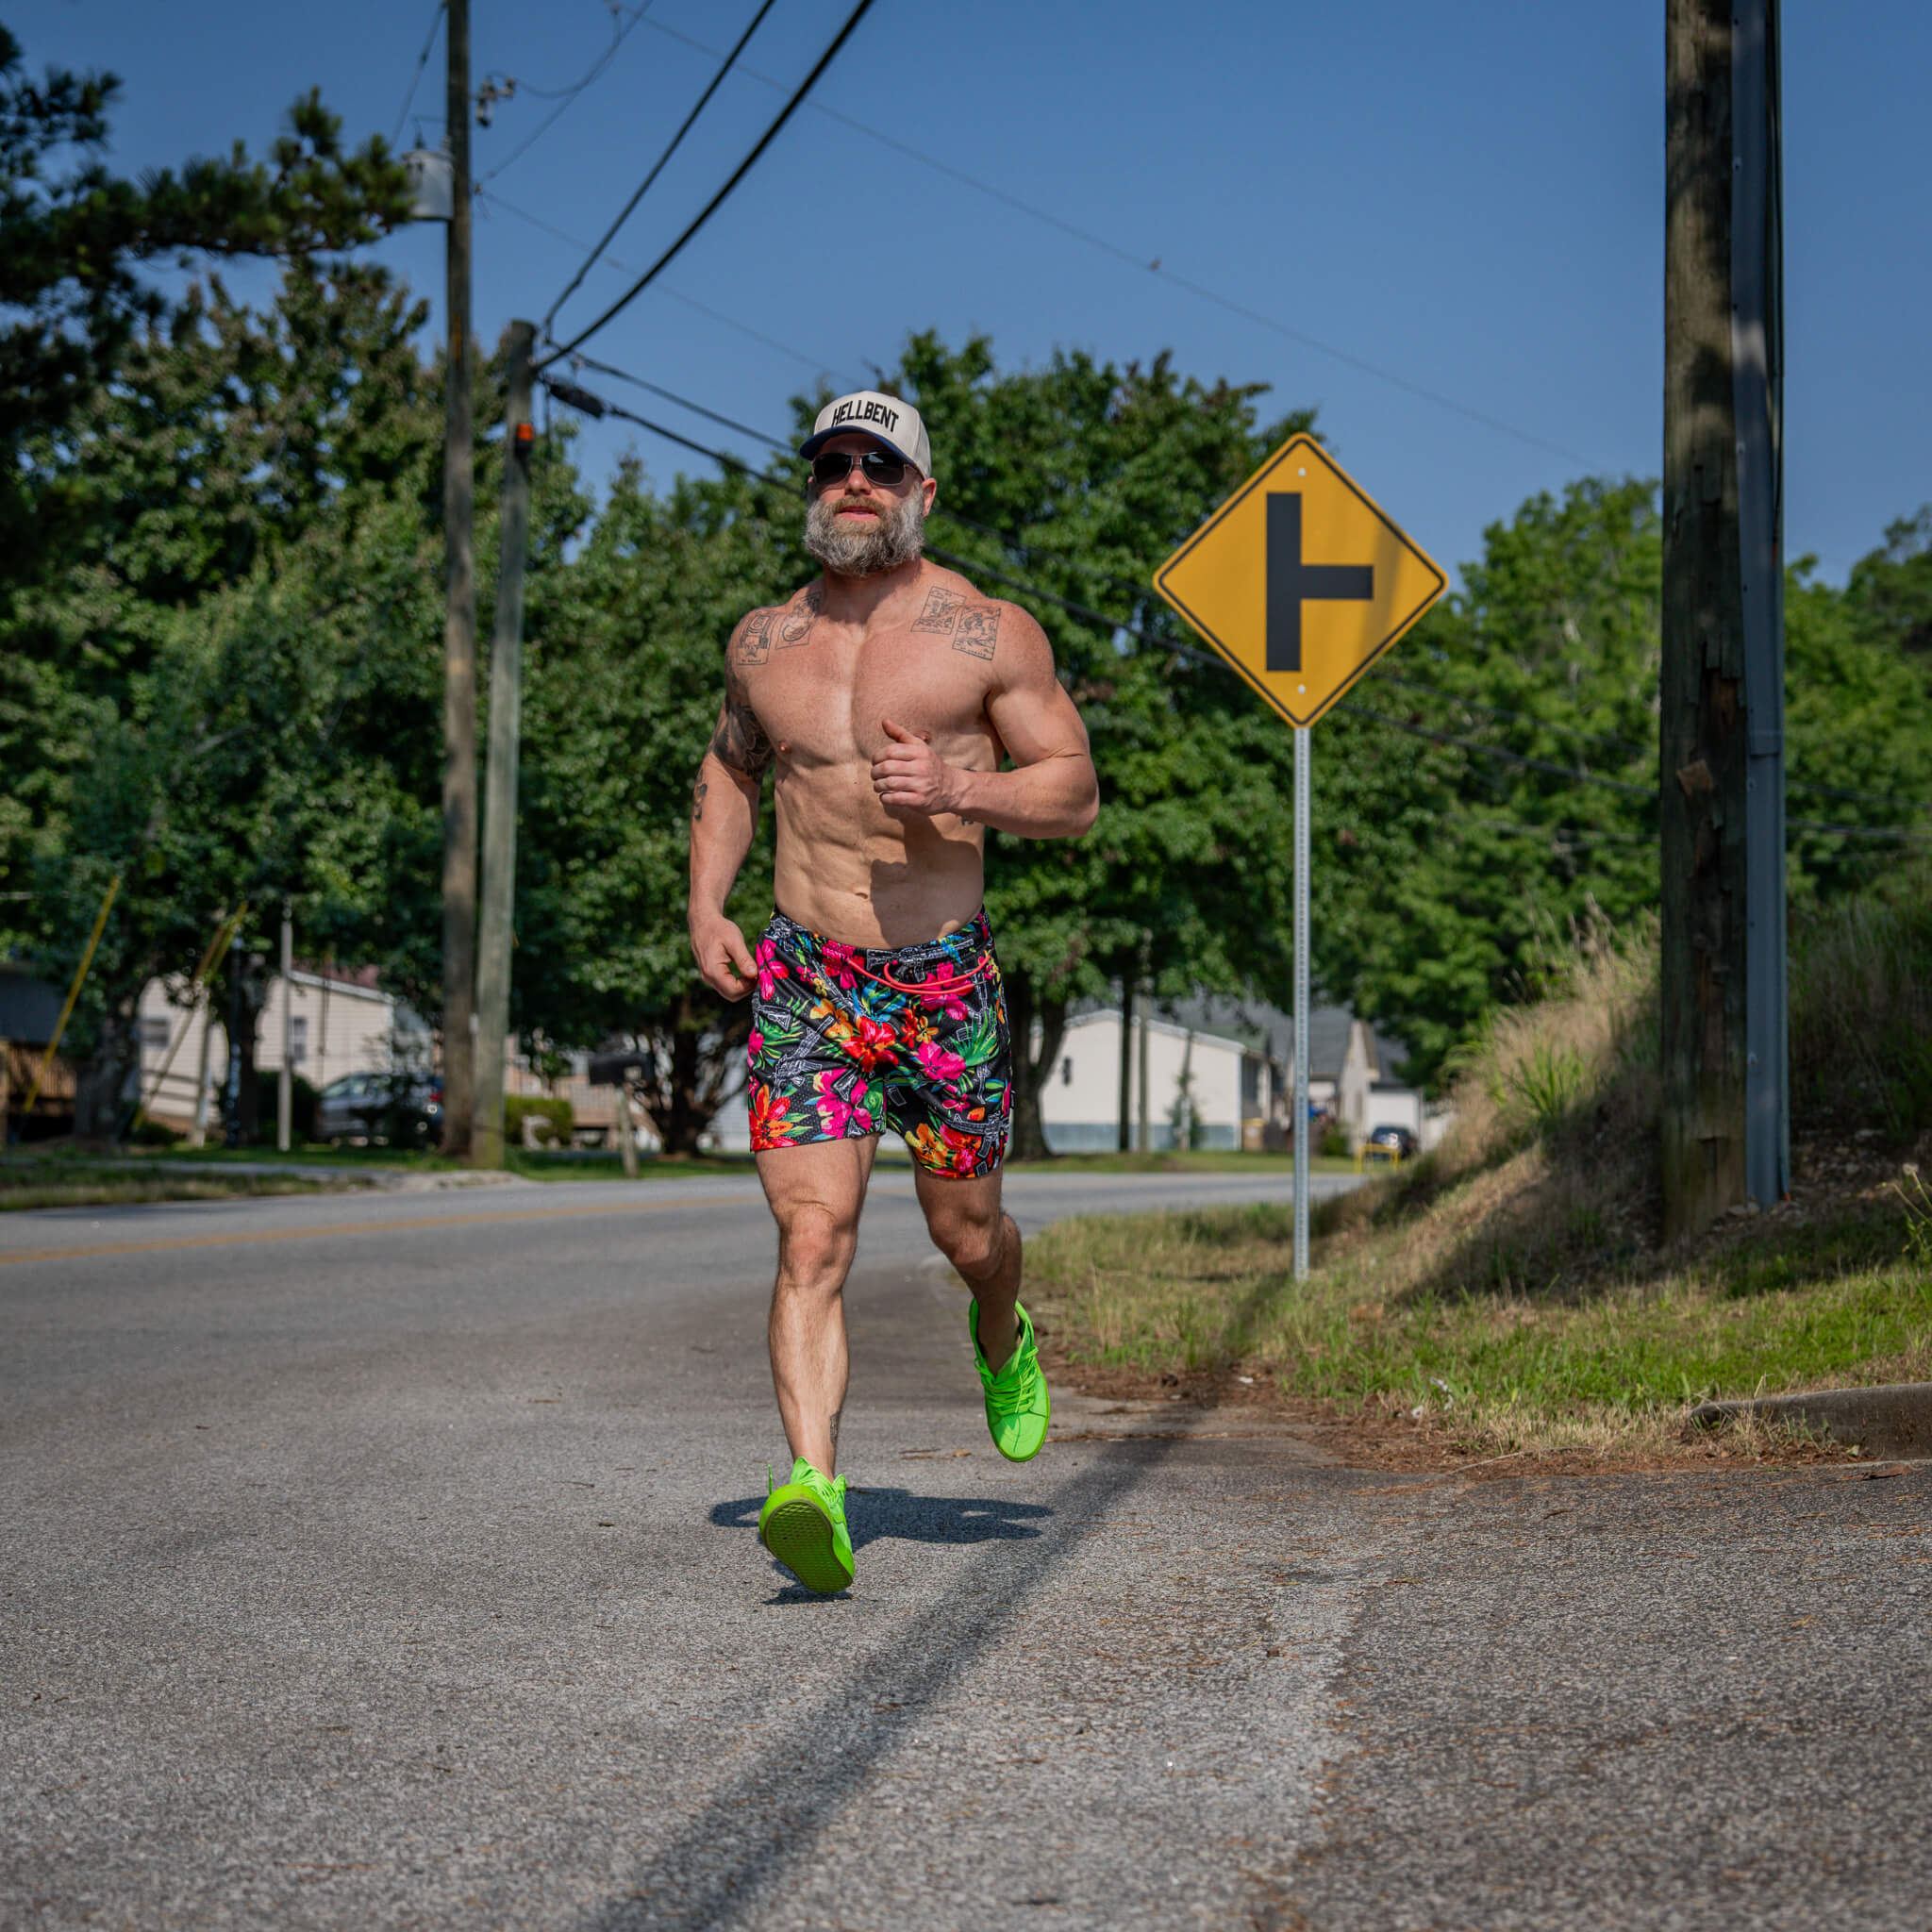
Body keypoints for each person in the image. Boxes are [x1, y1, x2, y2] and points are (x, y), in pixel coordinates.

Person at [687, 390, 1098, 1594]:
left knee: (966, 1233)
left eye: (877, 464)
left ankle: (999, 1325)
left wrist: (965, 793)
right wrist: (705, 904)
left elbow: (1071, 791)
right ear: (812, 487)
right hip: (805, 975)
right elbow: (728, 771)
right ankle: (812, 1481)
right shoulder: (763, 642)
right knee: (811, 1233)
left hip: (940, 978)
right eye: (831, 465)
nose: (851, 481)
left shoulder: (987, 634)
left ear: (921, 491)